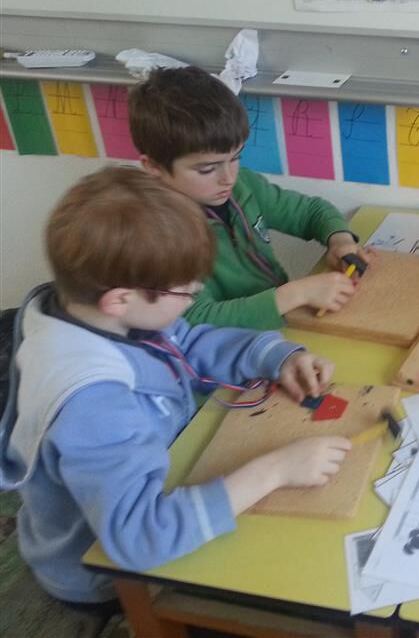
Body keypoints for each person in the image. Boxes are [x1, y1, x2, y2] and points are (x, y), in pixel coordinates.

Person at [0, 167, 350, 609]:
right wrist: (273, 472)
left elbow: (186, 341)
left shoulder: (98, 312)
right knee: (304, 574)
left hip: (170, 473)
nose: (196, 293)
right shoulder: (93, 405)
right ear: (120, 299)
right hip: (106, 573)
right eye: (185, 292)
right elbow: (142, 536)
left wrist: (275, 355)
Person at [129, 66, 367, 329]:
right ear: (154, 167)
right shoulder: (156, 237)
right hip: (230, 346)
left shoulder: (243, 186)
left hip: (281, 327)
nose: (228, 178)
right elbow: (197, 319)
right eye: (207, 169)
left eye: (236, 157)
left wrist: (340, 240)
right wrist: (295, 294)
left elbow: (311, 212)